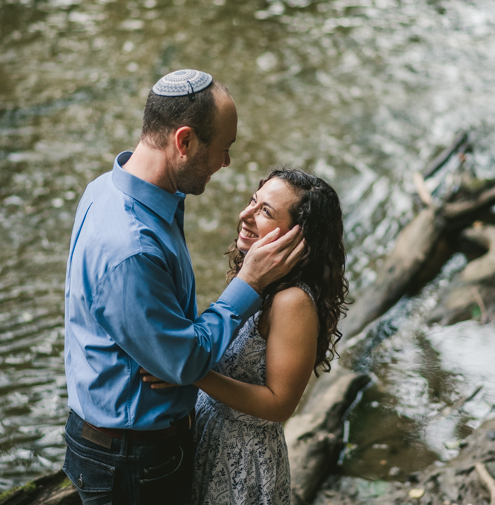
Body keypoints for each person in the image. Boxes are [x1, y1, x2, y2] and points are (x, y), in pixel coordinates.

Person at [61, 69, 305, 505]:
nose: (225, 164)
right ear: (185, 141)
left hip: (124, 446)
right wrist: (247, 284)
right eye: (222, 150)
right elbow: (183, 362)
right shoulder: (132, 246)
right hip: (132, 460)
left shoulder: (106, 190)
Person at [143, 168, 349, 504]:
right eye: (253, 202)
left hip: (244, 460)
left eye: (265, 212)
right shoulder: (257, 278)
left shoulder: (291, 301)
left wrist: (191, 373)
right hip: (211, 439)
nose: (245, 215)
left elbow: (280, 403)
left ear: (299, 237)